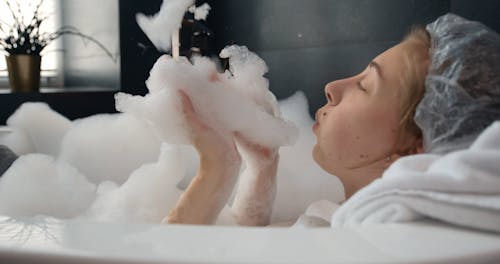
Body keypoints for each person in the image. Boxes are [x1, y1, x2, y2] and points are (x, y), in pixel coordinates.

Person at [163, 24, 432, 226]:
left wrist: (215, 169)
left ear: (410, 152)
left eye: (364, 86)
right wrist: (261, 171)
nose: (332, 88)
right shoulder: (340, 221)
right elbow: (251, 252)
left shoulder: (346, 242)